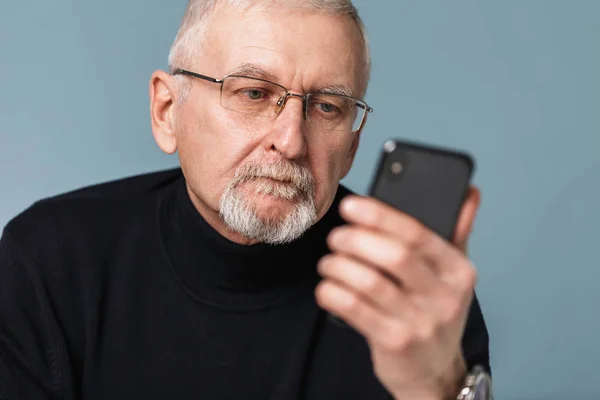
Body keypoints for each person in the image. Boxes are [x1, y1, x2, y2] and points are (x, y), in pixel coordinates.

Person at [0, 1, 491, 399]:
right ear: (167, 111)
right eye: (254, 93)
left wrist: (436, 389)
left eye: (326, 107)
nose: (292, 141)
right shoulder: (48, 259)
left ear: (352, 147)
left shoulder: (417, 291)